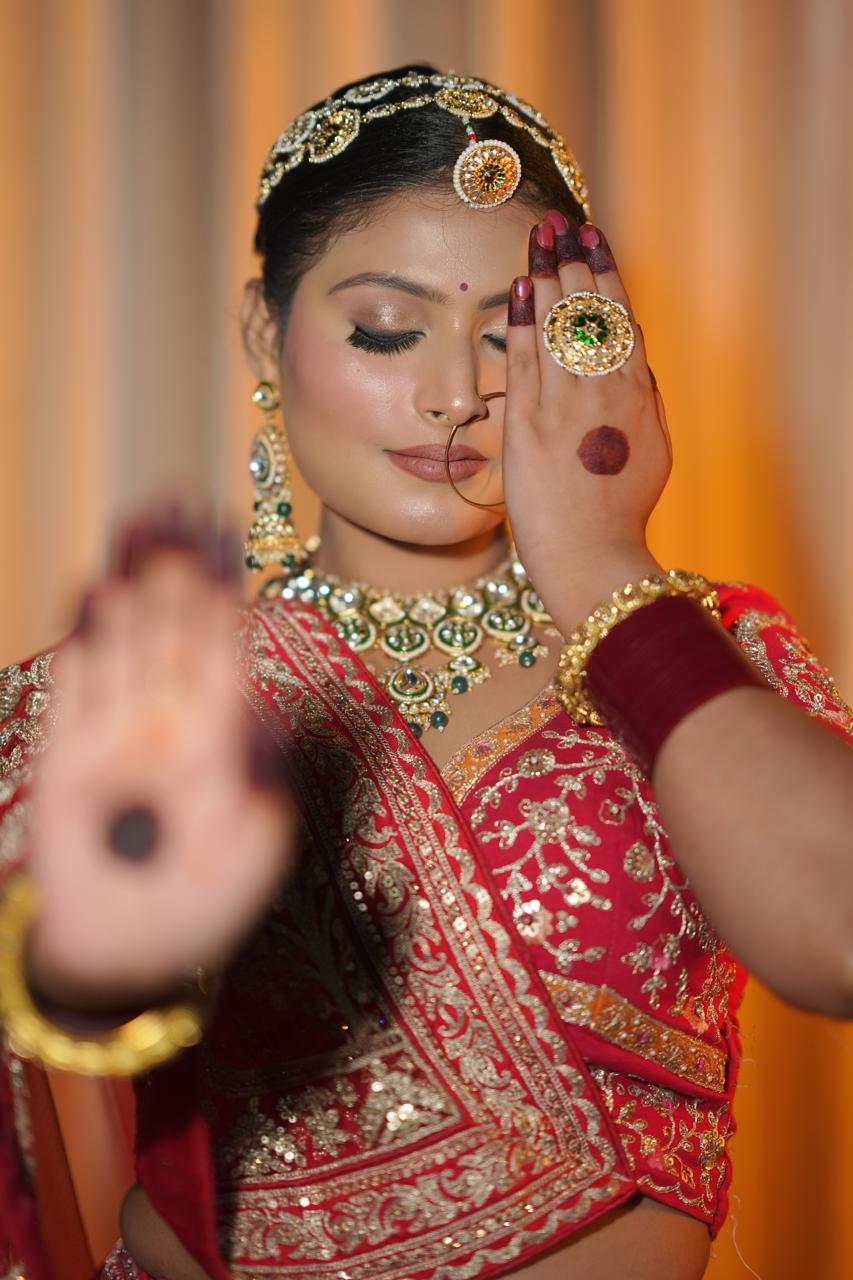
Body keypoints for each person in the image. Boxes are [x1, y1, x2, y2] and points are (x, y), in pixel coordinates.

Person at [1, 64, 852, 1280]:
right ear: (264, 332)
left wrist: (605, 573)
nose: (455, 395)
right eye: (386, 329)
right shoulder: (130, 695)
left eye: (511, 338)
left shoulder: (701, 654)